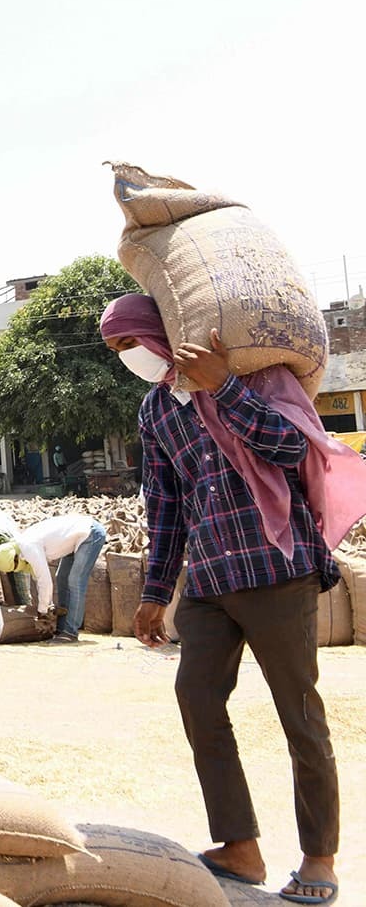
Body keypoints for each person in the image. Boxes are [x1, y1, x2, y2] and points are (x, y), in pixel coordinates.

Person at [102, 293, 364, 903]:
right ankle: (240, 848)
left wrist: (223, 387)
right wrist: (155, 592)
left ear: (155, 333)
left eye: (129, 343)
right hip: (210, 581)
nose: (126, 357)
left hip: (277, 568)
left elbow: (293, 447)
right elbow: (165, 506)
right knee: (196, 696)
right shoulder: (155, 410)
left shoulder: (252, 376)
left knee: (298, 710)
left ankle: (319, 859)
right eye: (116, 351)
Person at [0, 514, 108, 642]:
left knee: (75, 581)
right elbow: (39, 579)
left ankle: (70, 632)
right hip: (76, 537)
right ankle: (61, 628)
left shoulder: (28, 547)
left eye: (15, 567)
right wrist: (49, 606)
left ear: (15, 558)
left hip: (90, 534)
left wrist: (42, 612)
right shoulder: (22, 545)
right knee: (61, 577)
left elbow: (45, 582)